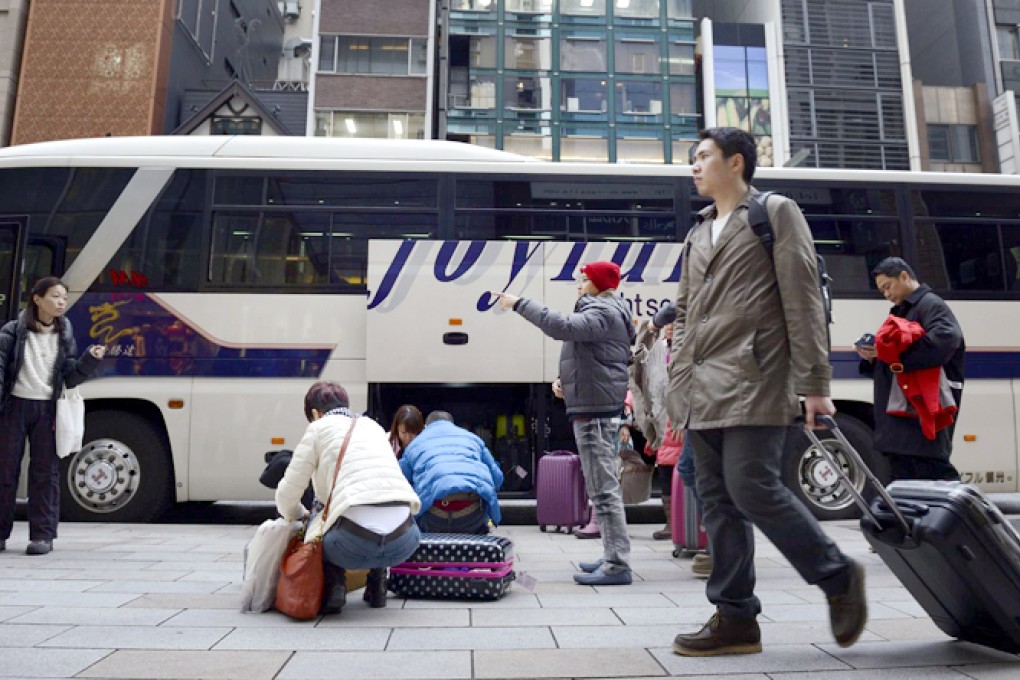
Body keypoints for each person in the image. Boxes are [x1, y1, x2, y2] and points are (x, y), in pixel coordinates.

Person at [665, 128, 865, 655]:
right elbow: (685, 313)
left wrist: (815, 384)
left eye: (703, 156)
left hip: (755, 377)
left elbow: (801, 299)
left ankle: (837, 575)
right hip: (701, 388)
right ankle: (734, 619)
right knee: (717, 501)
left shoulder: (773, 212)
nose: (694, 165)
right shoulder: (698, 232)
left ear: (736, 163)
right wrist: (680, 377)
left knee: (751, 486)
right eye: (693, 158)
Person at [493, 260, 636, 586]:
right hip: (595, 407)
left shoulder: (601, 311)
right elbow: (592, 359)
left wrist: (519, 303)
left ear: (599, 284)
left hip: (595, 413)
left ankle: (617, 565)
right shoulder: (607, 311)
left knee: (603, 490)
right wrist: (564, 382)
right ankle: (612, 556)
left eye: (584, 280)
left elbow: (561, 326)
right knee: (602, 488)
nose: (579, 285)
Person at [275, 381, 421, 614]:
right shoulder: (373, 427)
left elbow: (288, 493)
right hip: (404, 541)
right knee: (372, 500)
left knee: (322, 512)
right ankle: (378, 586)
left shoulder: (317, 428)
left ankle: (336, 586)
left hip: (349, 545)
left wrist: (299, 516)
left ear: (314, 413)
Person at [0, 277, 105, 556]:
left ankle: (42, 536)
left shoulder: (65, 334)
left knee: (46, 474)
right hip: (14, 407)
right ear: (37, 299)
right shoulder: (12, 331)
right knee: (5, 471)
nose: (61, 302)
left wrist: (89, 360)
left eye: (64, 298)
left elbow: (69, 377)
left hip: (48, 409)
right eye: (56, 296)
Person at [856, 257, 965, 481]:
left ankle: (962, 514)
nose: (886, 295)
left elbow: (945, 340)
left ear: (904, 276)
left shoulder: (930, 304)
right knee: (910, 474)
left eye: (888, 287)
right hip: (905, 412)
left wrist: (890, 355)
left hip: (920, 409)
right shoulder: (903, 310)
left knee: (932, 472)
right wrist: (873, 356)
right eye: (882, 290)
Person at [399, 411, 504, 534]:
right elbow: (498, 479)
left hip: (434, 517)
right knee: (483, 517)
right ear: (453, 425)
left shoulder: (415, 445)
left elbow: (401, 481)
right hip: (471, 516)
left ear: (426, 427)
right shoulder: (473, 439)